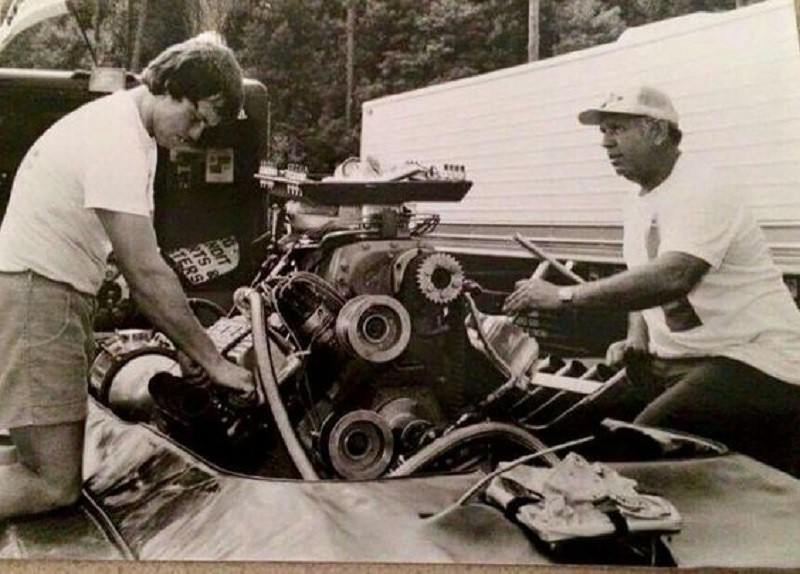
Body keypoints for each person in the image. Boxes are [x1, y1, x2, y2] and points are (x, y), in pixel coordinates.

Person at [0, 37, 254, 520]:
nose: (198, 134)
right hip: (41, 297)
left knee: (32, 459)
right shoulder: (118, 141)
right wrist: (212, 359)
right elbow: (145, 271)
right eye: (197, 117)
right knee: (52, 484)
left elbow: (137, 264)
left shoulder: (129, 132)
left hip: (47, 294)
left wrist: (184, 342)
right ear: (173, 89)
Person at [503, 86, 800, 476]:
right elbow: (642, 279)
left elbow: (674, 275)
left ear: (658, 131)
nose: (606, 143)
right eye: (603, 132)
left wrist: (563, 295)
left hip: (757, 360)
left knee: (633, 454)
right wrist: (637, 335)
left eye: (617, 129)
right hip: (680, 361)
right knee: (563, 440)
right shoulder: (640, 200)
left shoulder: (703, 188)